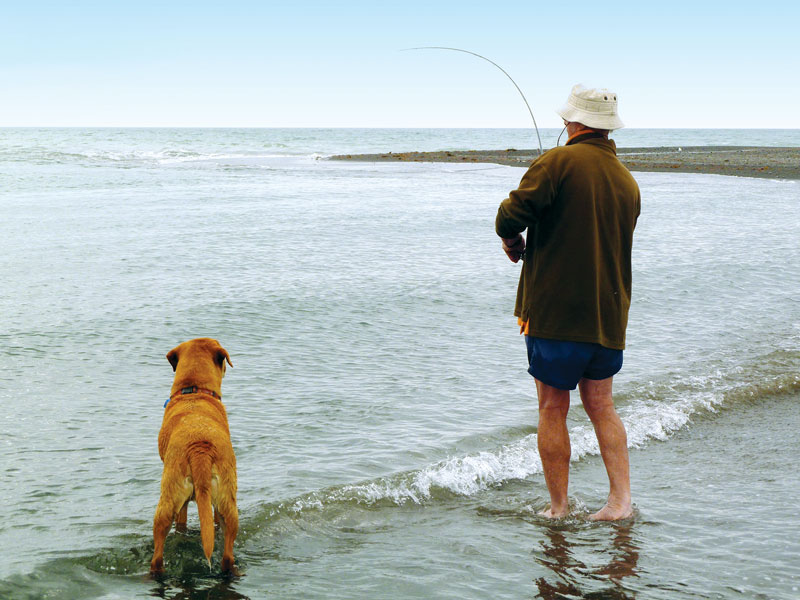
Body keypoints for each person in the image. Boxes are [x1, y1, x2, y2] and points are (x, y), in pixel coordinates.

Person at [495, 84, 641, 521]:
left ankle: (558, 508)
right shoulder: (626, 180)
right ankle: (620, 502)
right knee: (602, 405)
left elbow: (509, 214)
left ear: (573, 123)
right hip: (608, 316)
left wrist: (511, 240)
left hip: (557, 314)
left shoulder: (557, 161)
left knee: (552, 406)